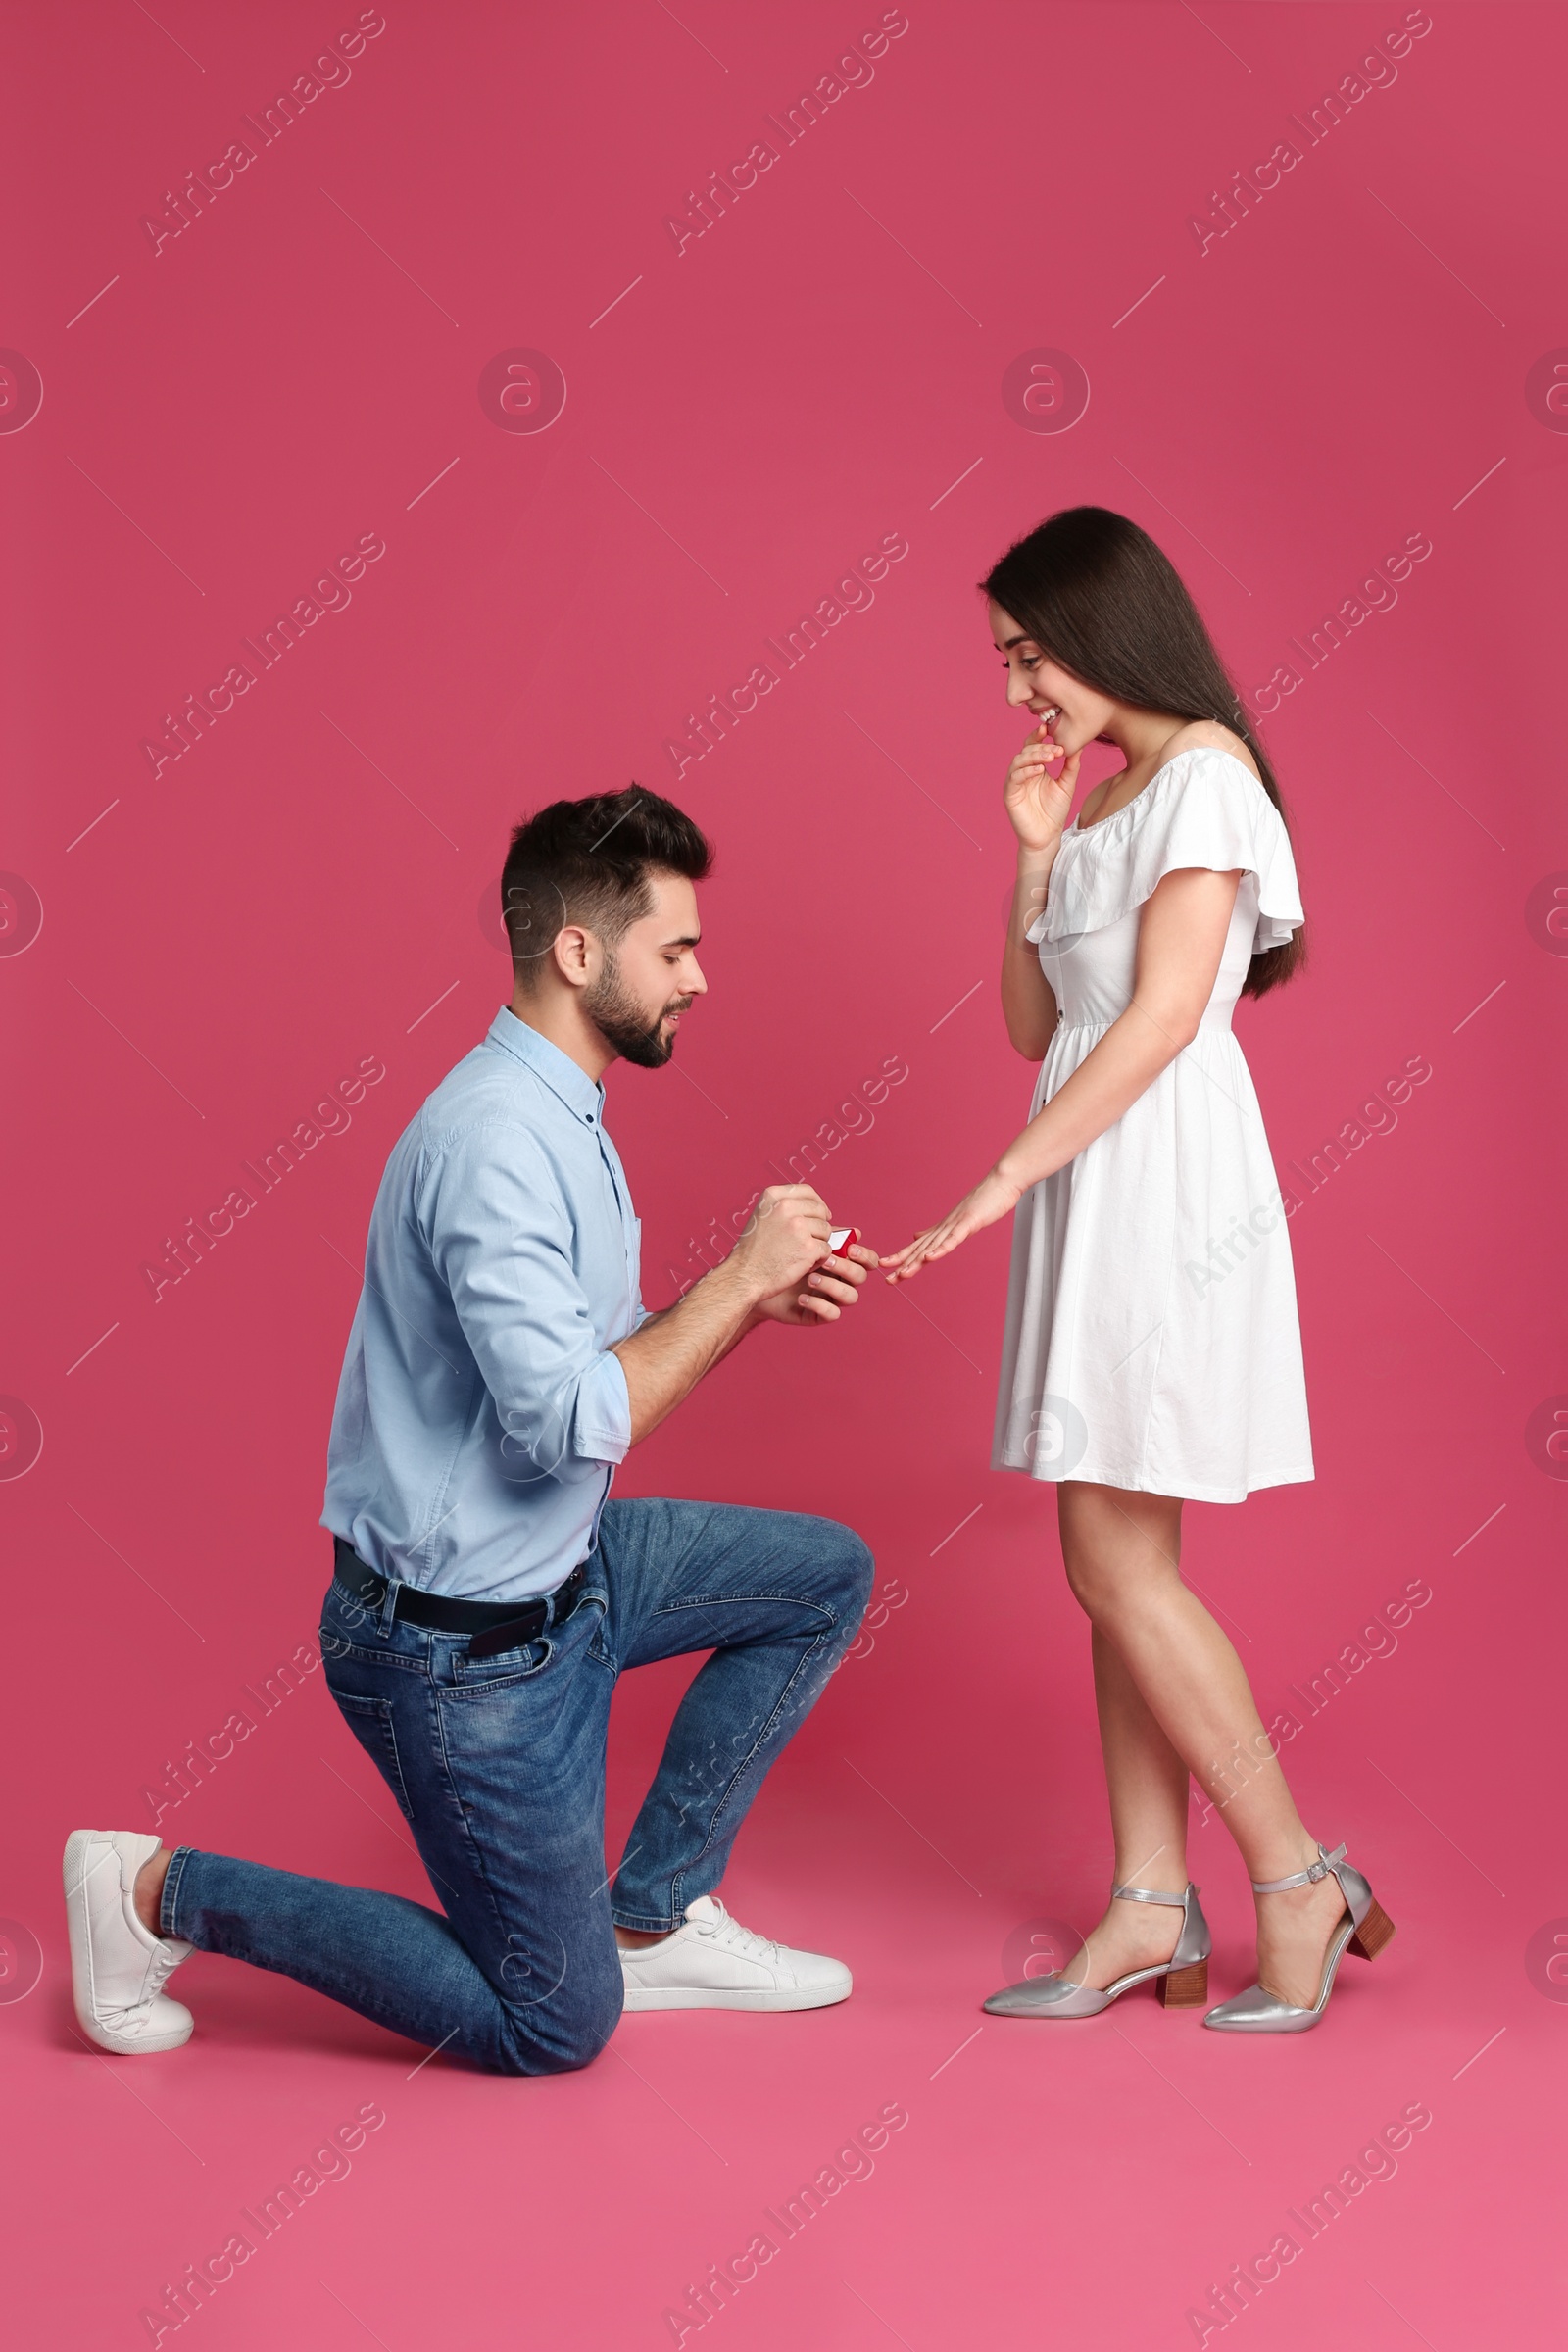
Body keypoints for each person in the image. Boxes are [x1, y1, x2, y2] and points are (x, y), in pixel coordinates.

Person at [66, 789, 876, 2073]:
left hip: (568, 1572)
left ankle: (654, 1918)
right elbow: (566, 1427)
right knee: (552, 2023)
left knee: (823, 1576)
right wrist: (730, 1281)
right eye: (676, 949)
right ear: (576, 952)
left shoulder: (563, 1114)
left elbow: (601, 1384)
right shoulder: (496, 1142)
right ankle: (155, 1891)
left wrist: (751, 1307)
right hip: (461, 1658)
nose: (702, 978)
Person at [882, 508, 1395, 2033]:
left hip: (1159, 1193)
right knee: (1116, 1573)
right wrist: (1032, 861)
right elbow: (1036, 1028)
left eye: (1030, 655)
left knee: (1113, 1565)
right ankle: (1152, 1903)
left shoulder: (1213, 781)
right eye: (1005, 663)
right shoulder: (1108, 807)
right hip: (1091, 1178)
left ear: (1109, 630)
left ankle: (1296, 1877)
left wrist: (999, 1178)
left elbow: (1166, 1020)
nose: (1017, 691)